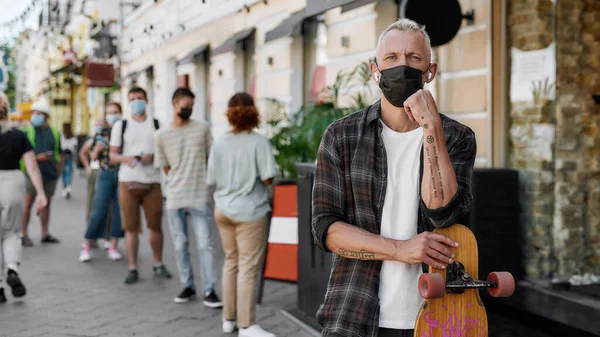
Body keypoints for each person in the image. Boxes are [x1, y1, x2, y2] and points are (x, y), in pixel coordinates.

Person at [311, 19, 477, 337]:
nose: (402, 66)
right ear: (376, 70)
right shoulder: (341, 135)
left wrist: (431, 128)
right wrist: (401, 250)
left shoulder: (457, 137)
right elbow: (326, 230)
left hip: (436, 314)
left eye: (414, 58)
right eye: (391, 58)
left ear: (430, 70)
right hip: (355, 311)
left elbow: (442, 211)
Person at [207, 93, 277, 337]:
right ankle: (246, 325)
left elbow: (212, 178)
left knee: (231, 263)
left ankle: (228, 319)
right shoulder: (259, 142)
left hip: (223, 209)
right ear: (253, 112)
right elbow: (268, 177)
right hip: (250, 212)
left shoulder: (219, 142)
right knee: (247, 268)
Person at [154, 88, 222, 307]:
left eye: (192, 107)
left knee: (205, 244)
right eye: (185, 106)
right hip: (174, 197)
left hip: (200, 195)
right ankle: (188, 286)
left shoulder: (202, 128)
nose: (189, 110)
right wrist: (179, 178)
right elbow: (165, 166)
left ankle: (210, 290)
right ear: (174, 104)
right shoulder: (161, 135)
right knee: (180, 244)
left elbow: (212, 157)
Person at [109, 87, 171, 284]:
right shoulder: (121, 125)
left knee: (155, 226)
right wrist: (129, 158)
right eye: (133, 99)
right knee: (131, 227)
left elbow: (165, 152)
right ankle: (132, 267)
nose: (137, 102)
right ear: (128, 103)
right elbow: (112, 155)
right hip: (128, 181)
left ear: (147, 101)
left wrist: (151, 157)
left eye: (140, 98)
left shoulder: (157, 125)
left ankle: (158, 263)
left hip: (152, 181)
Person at [0, 92, 47, 302]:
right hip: (14, 184)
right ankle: (12, 269)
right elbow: (32, 167)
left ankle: (0, 288)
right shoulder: (19, 136)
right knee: (11, 233)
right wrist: (41, 194)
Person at [79, 103, 125, 262]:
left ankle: (113, 245)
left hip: (123, 174)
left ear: (121, 113)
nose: (113, 115)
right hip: (105, 173)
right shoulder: (102, 132)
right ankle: (87, 244)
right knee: (98, 210)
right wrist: (97, 150)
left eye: (116, 112)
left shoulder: (126, 130)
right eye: (110, 113)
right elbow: (91, 156)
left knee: (119, 211)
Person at [21, 98, 63, 247]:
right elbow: (23, 156)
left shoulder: (55, 133)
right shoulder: (28, 132)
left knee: (46, 204)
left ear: (46, 116)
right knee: (28, 204)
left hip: (50, 174)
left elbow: (59, 153)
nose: (35, 116)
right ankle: (24, 234)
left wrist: (58, 172)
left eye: (38, 113)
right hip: (31, 175)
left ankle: (45, 233)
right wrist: (37, 159)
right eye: (34, 113)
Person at [60, 123, 77, 199]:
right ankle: (67, 187)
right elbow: (75, 148)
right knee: (68, 172)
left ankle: (66, 187)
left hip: (65, 156)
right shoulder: (72, 137)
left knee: (65, 173)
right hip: (68, 156)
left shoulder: (63, 137)